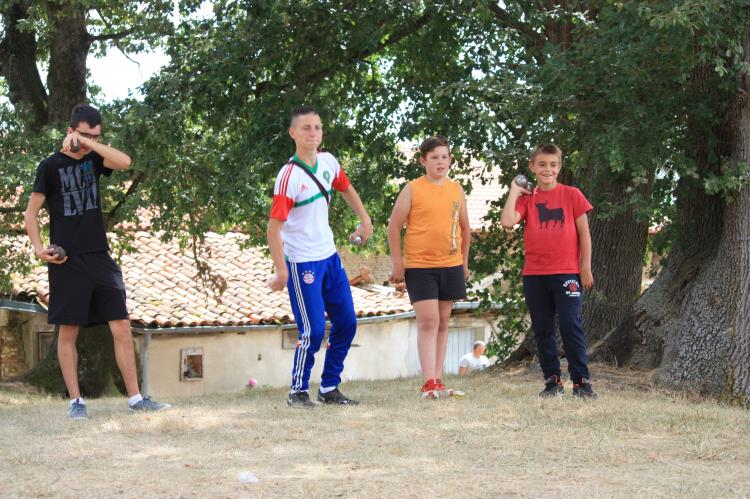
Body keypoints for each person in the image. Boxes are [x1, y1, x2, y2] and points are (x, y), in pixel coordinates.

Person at [24, 104, 170, 419]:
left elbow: (125, 161)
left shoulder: (94, 158)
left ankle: (135, 399)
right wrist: (39, 249)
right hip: (67, 261)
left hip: (100, 257)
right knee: (68, 333)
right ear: (70, 130)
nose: (91, 139)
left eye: (96, 135)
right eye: (85, 133)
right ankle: (76, 403)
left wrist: (88, 143)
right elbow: (30, 214)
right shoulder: (49, 167)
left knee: (121, 325)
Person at [267, 106, 373, 407]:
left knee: (347, 323)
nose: (313, 133)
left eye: (317, 127)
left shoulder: (328, 162)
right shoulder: (288, 177)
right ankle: (297, 391)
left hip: (329, 257)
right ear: (293, 133)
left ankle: (329, 388)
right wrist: (281, 271)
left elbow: (347, 189)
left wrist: (364, 220)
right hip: (302, 262)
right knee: (312, 329)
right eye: (306, 128)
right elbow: (273, 230)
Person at [500, 143, 597, 399]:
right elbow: (507, 221)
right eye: (542, 164)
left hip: (567, 273)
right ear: (532, 166)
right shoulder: (527, 200)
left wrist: (584, 267)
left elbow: (584, 233)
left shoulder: (572, 195)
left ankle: (581, 382)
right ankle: (552, 381)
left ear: (559, 167)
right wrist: (514, 191)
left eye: (553, 165)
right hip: (535, 275)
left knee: (570, 325)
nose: (548, 169)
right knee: (542, 328)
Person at [387, 136, 471, 399]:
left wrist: (464, 264)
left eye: (445, 157)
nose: (440, 162)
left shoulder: (457, 189)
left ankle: (439, 380)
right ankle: (428, 382)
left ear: (450, 160)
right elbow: (393, 227)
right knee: (428, 321)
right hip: (420, 266)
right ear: (424, 161)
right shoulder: (412, 188)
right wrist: (398, 264)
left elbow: (466, 228)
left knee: (444, 321)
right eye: (435, 157)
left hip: (451, 265)